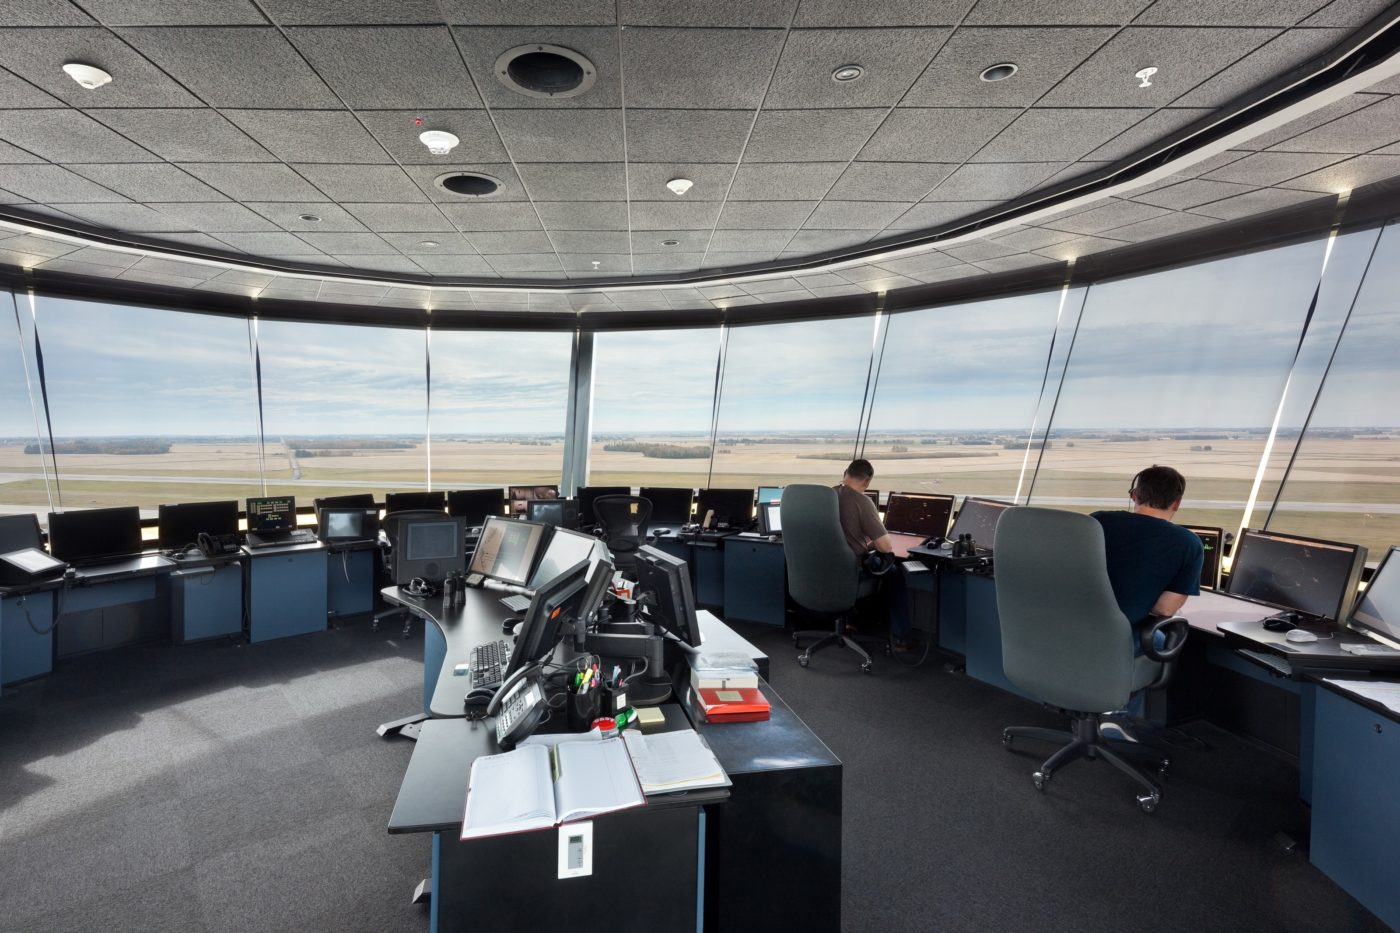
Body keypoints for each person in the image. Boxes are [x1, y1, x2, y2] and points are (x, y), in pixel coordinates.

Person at [1091, 464, 1204, 738]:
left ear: (1134, 495)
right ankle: (1117, 715)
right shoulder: (1188, 544)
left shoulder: (1097, 522)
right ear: (1177, 503)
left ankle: (1103, 710)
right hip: (1118, 641)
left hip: (1071, 629)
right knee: (1160, 638)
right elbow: (1165, 609)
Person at [834, 458, 892, 565]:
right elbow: (885, 547)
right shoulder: (863, 501)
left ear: (846, 473)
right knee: (895, 571)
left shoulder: (829, 495)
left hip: (828, 563)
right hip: (855, 565)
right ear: (867, 481)